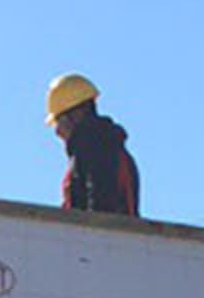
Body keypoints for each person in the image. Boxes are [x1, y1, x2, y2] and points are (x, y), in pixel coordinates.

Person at [45, 73, 140, 216]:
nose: (58, 132)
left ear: (75, 116)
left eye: (59, 121)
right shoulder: (110, 147)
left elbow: (101, 206)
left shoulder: (96, 148)